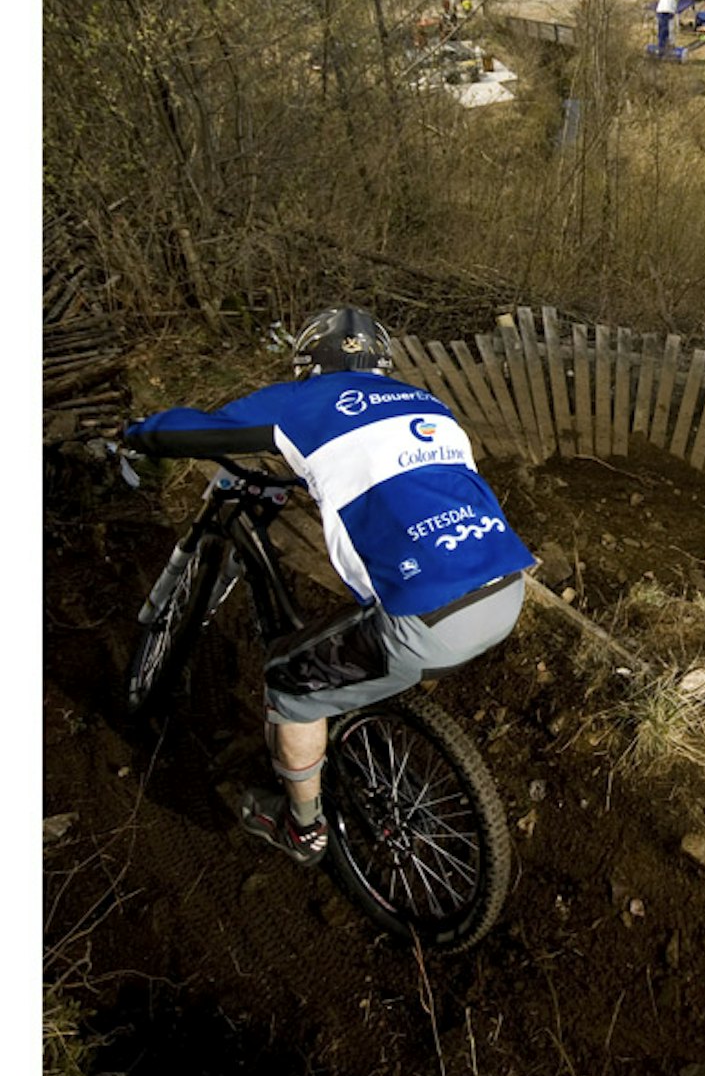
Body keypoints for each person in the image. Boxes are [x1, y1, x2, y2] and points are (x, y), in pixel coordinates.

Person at [125, 307, 534, 866]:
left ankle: (302, 830)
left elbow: (191, 431)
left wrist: (136, 436)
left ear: (308, 363)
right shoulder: (429, 404)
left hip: (428, 623)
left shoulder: (303, 404)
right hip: (506, 588)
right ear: (382, 363)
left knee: (287, 686)